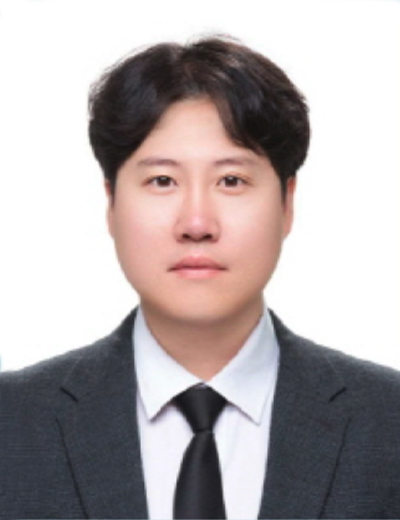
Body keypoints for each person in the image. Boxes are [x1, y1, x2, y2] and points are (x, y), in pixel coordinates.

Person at [1, 35, 399, 520]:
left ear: (287, 203)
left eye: (231, 180)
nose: (196, 223)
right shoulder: (12, 422)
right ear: (111, 203)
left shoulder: (388, 421)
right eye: (162, 181)